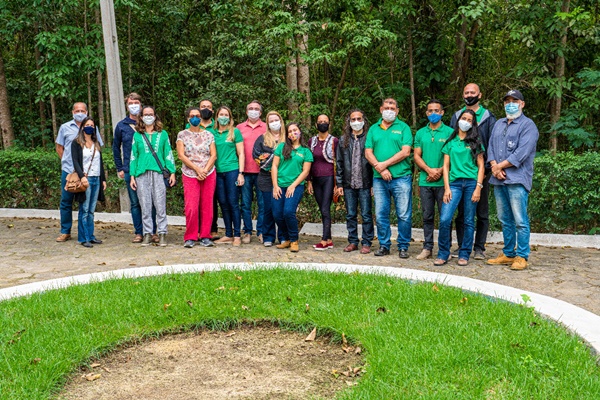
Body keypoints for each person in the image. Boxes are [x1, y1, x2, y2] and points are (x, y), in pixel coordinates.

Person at [486, 89, 539, 271]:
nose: (510, 103)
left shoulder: (528, 125)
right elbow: (491, 147)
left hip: (517, 179)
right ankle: (508, 253)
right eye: (507, 100)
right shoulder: (499, 124)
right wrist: (494, 166)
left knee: (520, 220)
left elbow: (522, 153)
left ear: (522, 104)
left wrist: (499, 167)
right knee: (504, 219)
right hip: (498, 179)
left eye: (514, 100)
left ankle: (522, 256)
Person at [449, 83, 497, 259]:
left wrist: (487, 170)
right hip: (460, 174)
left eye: (472, 92)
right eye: (466, 92)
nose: (469, 95)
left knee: (481, 212)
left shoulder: (488, 117)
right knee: (461, 213)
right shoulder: (456, 116)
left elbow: (492, 143)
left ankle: (479, 248)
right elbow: (452, 141)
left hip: (481, 172)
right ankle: (463, 246)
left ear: (480, 95)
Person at [434, 109, 485, 266]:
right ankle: (443, 253)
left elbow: (481, 166)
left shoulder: (476, 142)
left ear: (473, 124)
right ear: (458, 120)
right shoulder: (450, 142)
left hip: (471, 183)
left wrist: (478, 187)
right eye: (464, 118)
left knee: (469, 220)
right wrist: (447, 188)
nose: (466, 122)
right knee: (445, 218)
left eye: (469, 120)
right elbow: (446, 166)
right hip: (454, 184)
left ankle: (464, 253)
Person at [365, 98, 413, 258]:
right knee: (380, 214)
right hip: (379, 179)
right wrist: (380, 168)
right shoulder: (373, 129)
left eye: (393, 107)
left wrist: (383, 164)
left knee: (404, 214)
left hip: (402, 178)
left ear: (397, 111)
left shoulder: (404, 128)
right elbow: (368, 152)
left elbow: (406, 152)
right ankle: (384, 245)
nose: (389, 110)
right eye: (386, 107)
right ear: (381, 109)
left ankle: (403, 246)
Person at [55, 102, 103, 242]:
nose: (80, 112)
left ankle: (87, 234)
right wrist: (67, 163)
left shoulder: (92, 128)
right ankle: (65, 231)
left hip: (87, 173)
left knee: (85, 204)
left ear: (87, 112)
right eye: (77, 110)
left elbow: (98, 148)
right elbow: (59, 147)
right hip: (69, 171)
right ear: (72, 112)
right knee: (66, 201)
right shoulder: (65, 127)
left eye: (82, 110)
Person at [112, 92, 157, 243]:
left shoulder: (149, 124)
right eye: (130, 103)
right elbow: (115, 148)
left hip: (149, 169)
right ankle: (139, 232)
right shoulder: (121, 126)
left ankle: (154, 231)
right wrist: (120, 168)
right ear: (127, 106)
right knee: (135, 203)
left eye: (136, 103)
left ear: (141, 105)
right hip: (130, 170)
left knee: (152, 201)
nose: (133, 106)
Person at [129, 106, 176, 247]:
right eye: (145, 114)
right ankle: (147, 233)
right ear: (141, 117)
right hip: (141, 174)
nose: (148, 116)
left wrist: (172, 172)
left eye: (151, 114)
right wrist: (132, 175)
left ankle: (162, 233)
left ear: (155, 116)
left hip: (158, 173)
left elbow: (168, 153)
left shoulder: (163, 134)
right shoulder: (137, 135)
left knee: (160, 204)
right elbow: (133, 156)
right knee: (145, 204)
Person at [413, 99, 454, 260]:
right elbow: (416, 155)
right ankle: (427, 247)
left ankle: (446, 249)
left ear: (442, 112)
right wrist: (429, 170)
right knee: (427, 215)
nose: (433, 113)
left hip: (444, 182)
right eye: (430, 111)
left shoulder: (451, 132)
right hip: (425, 181)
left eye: (436, 110)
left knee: (445, 218)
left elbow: (453, 156)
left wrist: (439, 171)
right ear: (426, 113)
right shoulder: (421, 133)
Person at [177, 107, 217, 248]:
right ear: (188, 118)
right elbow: (181, 155)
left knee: (207, 206)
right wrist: (197, 169)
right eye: (192, 115)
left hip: (208, 172)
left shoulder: (208, 135)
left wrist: (205, 170)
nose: (195, 118)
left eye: (198, 116)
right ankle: (190, 236)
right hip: (190, 173)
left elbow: (213, 155)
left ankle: (205, 235)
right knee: (192, 206)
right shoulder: (182, 135)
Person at [335, 109, 373, 254]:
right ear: (349, 122)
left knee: (366, 214)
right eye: (353, 119)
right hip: (348, 183)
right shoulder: (343, 140)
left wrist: (373, 184)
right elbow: (339, 162)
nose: (356, 122)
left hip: (365, 183)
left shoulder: (369, 138)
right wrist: (339, 184)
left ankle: (367, 242)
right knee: (350, 214)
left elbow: (373, 162)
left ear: (364, 120)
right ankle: (352, 241)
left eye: (359, 119)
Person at [271, 123, 313, 252]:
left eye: (295, 130)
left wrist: (293, 185)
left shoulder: (306, 151)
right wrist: (275, 186)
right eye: (289, 131)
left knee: (288, 212)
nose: (292, 133)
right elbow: (274, 166)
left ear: (300, 132)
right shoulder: (281, 147)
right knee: (277, 214)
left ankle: (294, 240)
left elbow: (305, 171)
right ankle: (286, 239)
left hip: (295, 187)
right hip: (279, 185)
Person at [71, 117, 107, 248]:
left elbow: (100, 163)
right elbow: (75, 161)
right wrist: (81, 176)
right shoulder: (76, 143)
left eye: (92, 125)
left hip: (96, 178)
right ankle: (83, 238)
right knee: (84, 209)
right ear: (82, 127)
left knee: (91, 210)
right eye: (87, 125)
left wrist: (103, 179)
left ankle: (91, 236)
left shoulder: (96, 143)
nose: (89, 127)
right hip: (85, 179)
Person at [212, 106, 245, 246]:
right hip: (217, 172)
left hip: (232, 170)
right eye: (221, 114)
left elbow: (241, 153)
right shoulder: (212, 133)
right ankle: (228, 234)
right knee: (223, 204)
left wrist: (241, 173)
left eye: (226, 114)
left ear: (230, 117)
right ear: (217, 116)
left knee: (233, 203)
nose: (223, 117)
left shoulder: (235, 132)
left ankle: (237, 235)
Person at [253, 111, 285, 247]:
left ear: (281, 121)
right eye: (271, 121)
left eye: (276, 120)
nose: (274, 123)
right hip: (266, 178)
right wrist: (277, 157)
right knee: (268, 208)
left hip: (284, 178)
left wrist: (270, 156)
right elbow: (257, 157)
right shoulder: (262, 139)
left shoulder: (287, 138)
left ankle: (284, 236)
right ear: (267, 123)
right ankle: (268, 236)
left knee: (282, 209)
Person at [307, 114, 339, 251]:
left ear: (329, 124)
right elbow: (308, 161)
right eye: (320, 121)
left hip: (329, 178)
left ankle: (324, 240)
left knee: (326, 208)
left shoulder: (334, 141)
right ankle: (330, 239)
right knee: (322, 209)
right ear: (316, 124)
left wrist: (338, 184)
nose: (322, 123)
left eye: (325, 121)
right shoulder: (311, 141)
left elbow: (339, 162)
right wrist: (308, 181)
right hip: (315, 178)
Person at [237, 100, 266, 244]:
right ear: (246, 111)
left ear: (260, 112)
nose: (253, 111)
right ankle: (247, 231)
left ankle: (261, 231)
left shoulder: (266, 128)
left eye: (256, 109)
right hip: (244, 172)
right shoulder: (239, 128)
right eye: (250, 108)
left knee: (263, 204)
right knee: (245, 204)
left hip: (263, 172)